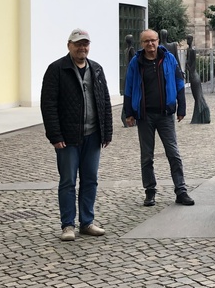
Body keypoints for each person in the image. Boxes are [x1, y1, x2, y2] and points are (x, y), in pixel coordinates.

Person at [40, 28, 114, 241]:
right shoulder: (56, 69)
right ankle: (68, 225)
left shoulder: (97, 69)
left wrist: (106, 131)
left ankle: (87, 222)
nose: (82, 48)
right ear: (69, 45)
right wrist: (55, 135)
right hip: (68, 137)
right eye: (78, 44)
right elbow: (49, 105)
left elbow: (104, 101)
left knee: (90, 179)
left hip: (93, 135)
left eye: (85, 44)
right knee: (68, 181)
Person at [124, 29, 195, 207]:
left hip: (166, 115)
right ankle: (150, 191)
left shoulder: (169, 58)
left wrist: (182, 107)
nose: (150, 44)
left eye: (153, 40)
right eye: (146, 41)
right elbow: (129, 87)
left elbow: (179, 82)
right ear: (142, 44)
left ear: (158, 41)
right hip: (144, 116)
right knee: (147, 156)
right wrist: (129, 113)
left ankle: (181, 190)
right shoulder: (136, 62)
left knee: (173, 153)